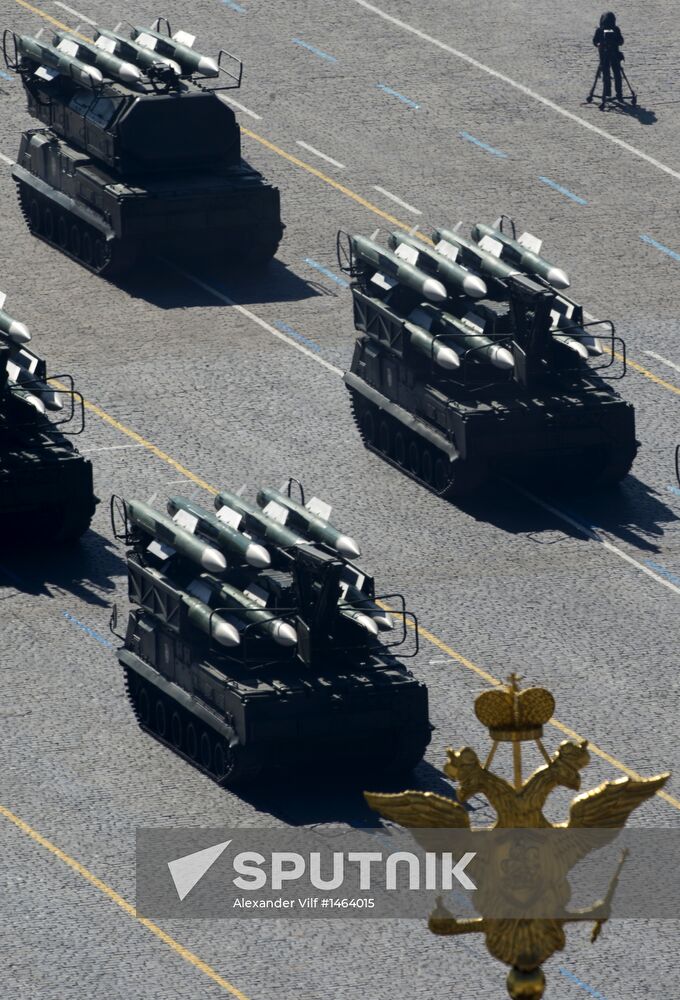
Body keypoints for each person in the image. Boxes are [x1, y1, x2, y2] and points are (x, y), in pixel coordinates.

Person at [593, 12, 624, 100]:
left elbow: (621, 41)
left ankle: (618, 93)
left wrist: (613, 42)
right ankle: (608, 92)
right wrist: (600, 44)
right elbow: (595, 41)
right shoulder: (600, 30)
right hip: (605, 55)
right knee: (607, 74)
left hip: (614, 54)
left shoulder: (615, 30)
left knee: (616, 74)